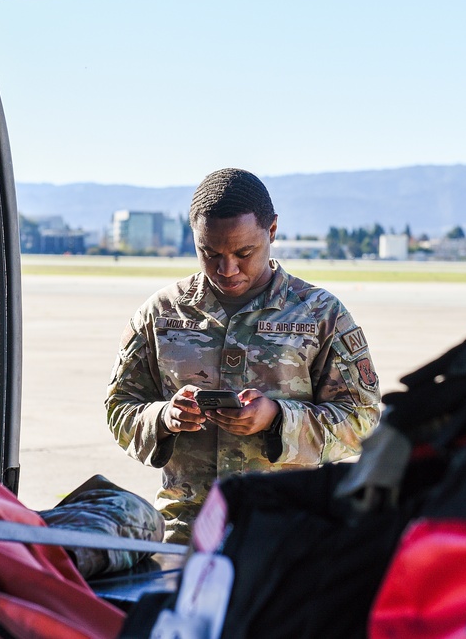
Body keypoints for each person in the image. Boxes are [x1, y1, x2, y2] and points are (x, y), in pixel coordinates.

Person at [106, 167, 382, 543]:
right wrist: (164, 417)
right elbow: (120, 406)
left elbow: (362, 418)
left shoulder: (320, 314)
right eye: (210, 253)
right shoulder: (161, 313)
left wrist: (278, 419)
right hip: (187, 534)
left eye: (243, 252)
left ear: (271, 232)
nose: (227, 268)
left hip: (286, 533)